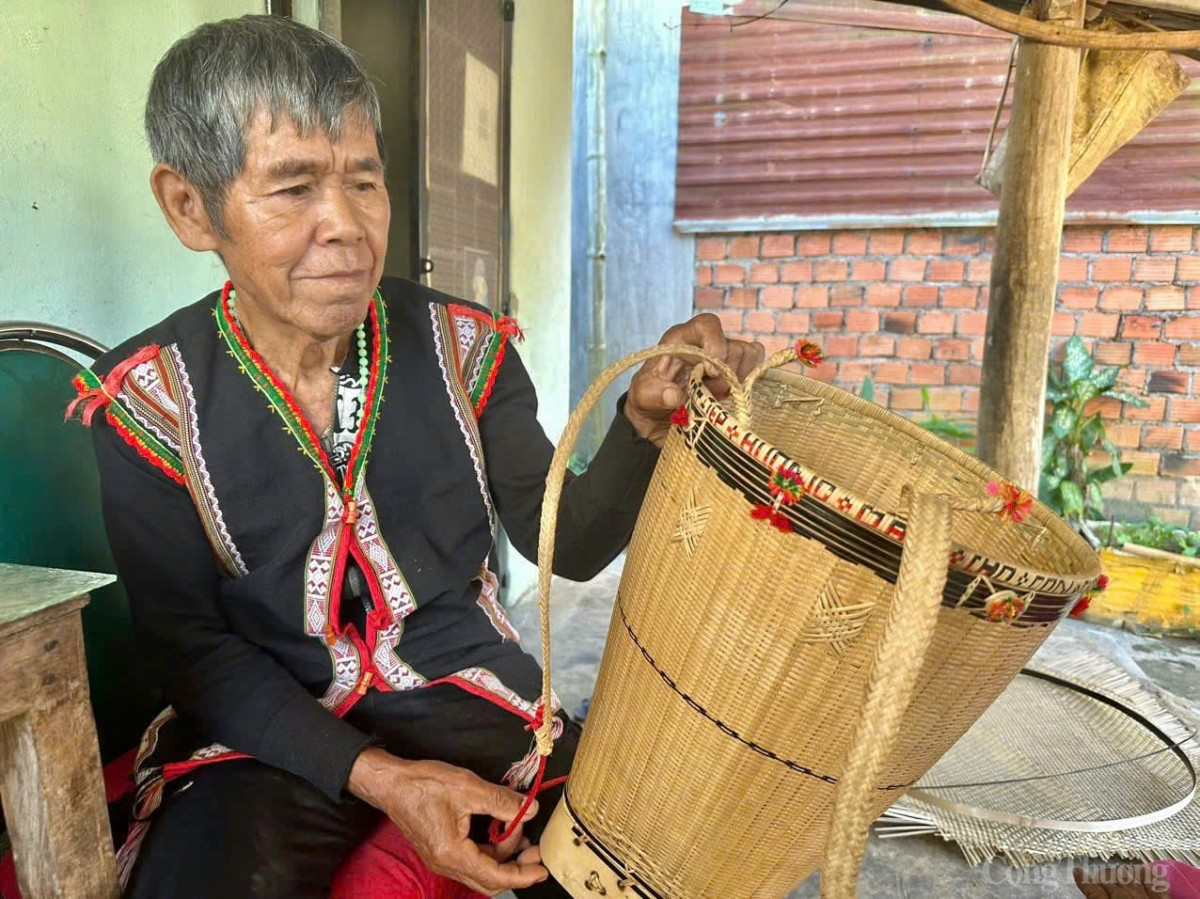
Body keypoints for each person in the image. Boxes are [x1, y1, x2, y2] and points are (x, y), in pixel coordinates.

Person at [69, 14, 764, 898]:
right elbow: (193, 648)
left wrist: (639, 420)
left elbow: (571, 544)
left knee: (636, 866)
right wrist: (384, 779)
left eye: (365, 180)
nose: (348, 227)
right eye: (292, 189)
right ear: (189, 207)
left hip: (466, 695)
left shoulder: (463, 348)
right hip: (267, 731)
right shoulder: (144, 400)